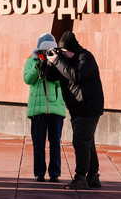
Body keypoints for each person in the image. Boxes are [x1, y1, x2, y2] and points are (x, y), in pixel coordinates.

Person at [44, 31, 104, 190]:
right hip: (77, 108)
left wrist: (58, 60)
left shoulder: (85, 57)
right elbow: (50, 77)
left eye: (64, 52)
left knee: (80, 142)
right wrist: (50, 62)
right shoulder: (63, 60)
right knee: (88, 142)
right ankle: (92, 176)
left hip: (89, 107)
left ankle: (80, 178)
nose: (62, 55)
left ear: (71, 48)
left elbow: (75, 76)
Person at [23, 33, 67, 182]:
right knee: (38, 143)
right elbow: (28, 79)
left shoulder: (60, 61)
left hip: (55, 108)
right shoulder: (32, 60)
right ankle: (39, 173)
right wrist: (38, 65)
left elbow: (63, 81)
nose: (46, 54)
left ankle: (55, 173)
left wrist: (52, 66)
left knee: (55, 142)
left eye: (49, 51)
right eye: (43, 51)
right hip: (37, 110)